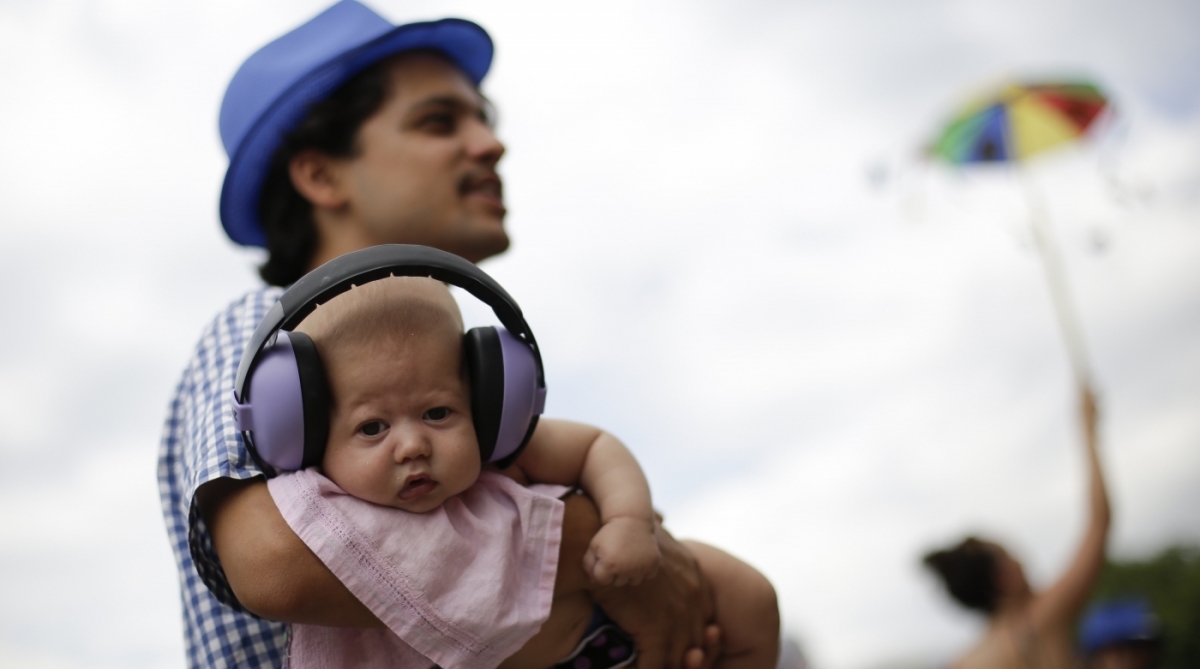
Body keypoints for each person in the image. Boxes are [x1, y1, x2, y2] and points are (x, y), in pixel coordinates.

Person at [157, 2, 720, 667]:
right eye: (438, 121)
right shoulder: (263, 328)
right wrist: (603, 554)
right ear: (320, 174)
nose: (490, 143)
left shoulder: (453, 366)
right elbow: (275, 560)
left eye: (484, 117)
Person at [268, 275, 779, 669]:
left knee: (746, 593)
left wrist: (628, 521)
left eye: (438, 412)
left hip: (607, 620)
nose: (413, 445)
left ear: (486, 400)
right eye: (373, 427)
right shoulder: (322, 514)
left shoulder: (504, 451)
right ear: (310, 436)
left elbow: (596, 446)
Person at [922, 385, 1111, 669]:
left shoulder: (963, 663)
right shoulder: (1042, 619)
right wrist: (1087, 428)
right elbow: (1099, 522)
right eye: (1014, 557)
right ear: (1005, 577)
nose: (1024, 563)